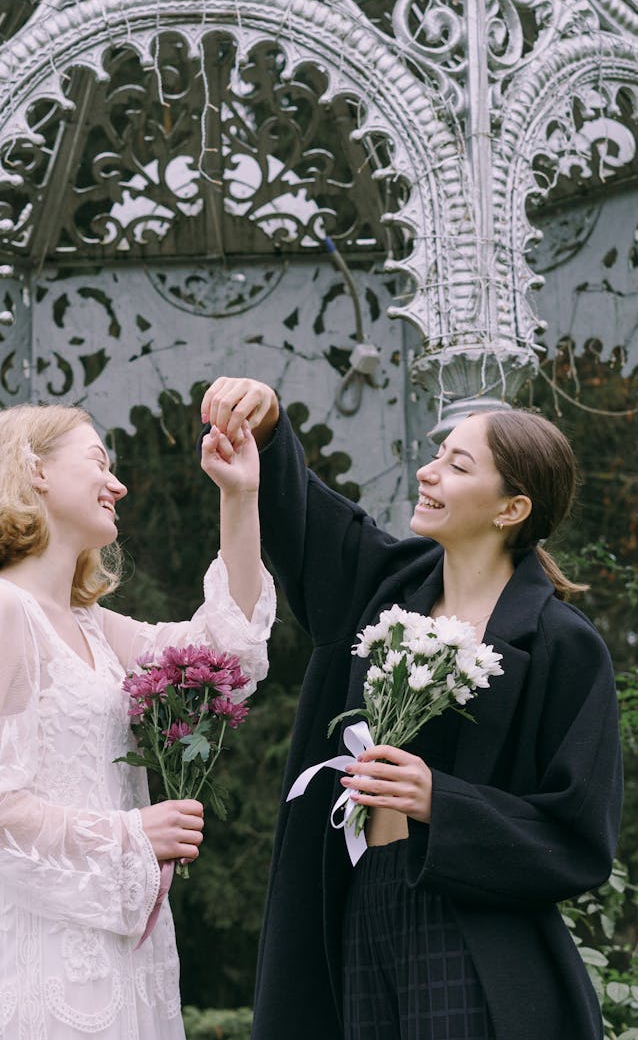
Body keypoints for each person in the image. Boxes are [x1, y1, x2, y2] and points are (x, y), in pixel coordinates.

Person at [201, 376, 623, 1040]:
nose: (428, 472)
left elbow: (578, 839)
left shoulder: (562, 645)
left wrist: (440, 801)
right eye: (438, 455)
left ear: (511, 508)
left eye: (458, 465)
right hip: (361, 905)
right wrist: (269, 422)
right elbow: (310, 524)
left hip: (468, 931)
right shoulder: (384, 586)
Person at [0, 403, 275, 1040]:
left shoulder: (93, 624)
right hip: (42, 947)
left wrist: (241, 496)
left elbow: (224, 655)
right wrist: (129, 833)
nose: (117, 485)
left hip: (125, 945)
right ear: (33, 470)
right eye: (98, 462)